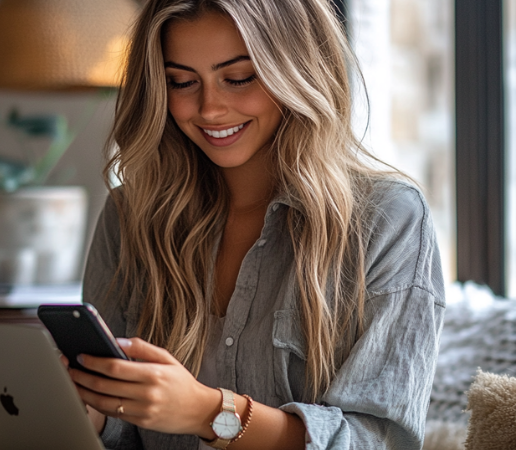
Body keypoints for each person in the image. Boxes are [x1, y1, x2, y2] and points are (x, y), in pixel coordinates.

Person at [67, 0, 445, 448]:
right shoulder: (131, 216)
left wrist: (209, 413)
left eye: (239, 78)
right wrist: (82, 406)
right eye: (182, 82)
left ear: (297, 68)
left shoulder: (389, 220)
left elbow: (379, 440)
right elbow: (123, 431)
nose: (209, 108)